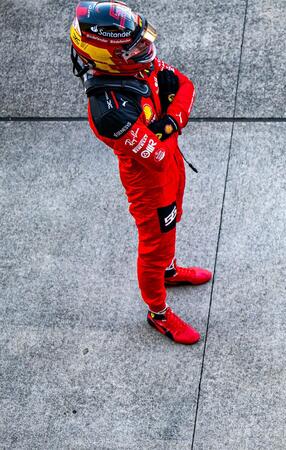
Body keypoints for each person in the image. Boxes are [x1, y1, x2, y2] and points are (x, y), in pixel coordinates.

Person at [70, 1, 211, 345]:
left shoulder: (134, 65)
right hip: (149, 185)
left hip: (171, 166)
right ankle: (158, 313)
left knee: (174, 221)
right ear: (107, 57)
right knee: (153, 245)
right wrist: (172, 120)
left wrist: (170, 122)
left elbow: (186, 85)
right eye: (135, 47)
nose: (147, 48)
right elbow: (157, 156)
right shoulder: (109, 111)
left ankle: (169, 270)